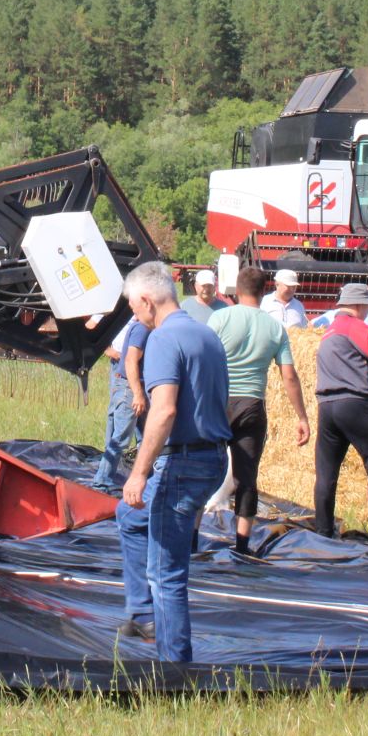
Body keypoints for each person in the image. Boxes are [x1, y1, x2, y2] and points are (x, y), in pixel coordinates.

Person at [115, 261, 231, 664]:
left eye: (133, 308)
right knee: (129, 517)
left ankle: (174, 670)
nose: (134, 315)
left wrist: (139, 472)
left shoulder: (163, 339)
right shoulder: (206, 334)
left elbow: (163, 412)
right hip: (212, 459)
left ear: (147, 300)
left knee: (166, 571)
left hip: (183, 463)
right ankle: (141, 614)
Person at [208, 268, 312, 555]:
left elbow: (202, 357)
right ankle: (242, 546)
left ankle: (192, 539)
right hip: (252, 404)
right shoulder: (274, 328)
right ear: (264, 290)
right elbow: (289, 376)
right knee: (247, 477)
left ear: (236, 290)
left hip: (219, 402)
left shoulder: (220, 318)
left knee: (204, 469)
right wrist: (302, 417)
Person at [312, 282, 368, 537]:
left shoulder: (330, 332)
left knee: (326, 474)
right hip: (354, 408)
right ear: (360, 305)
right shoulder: (353, 326)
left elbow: (345, 373)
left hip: (328, 408)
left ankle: (323, 531)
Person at [90, 315, 148, 493]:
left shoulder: (142, 327)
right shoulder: (142, 329)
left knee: (144, 436)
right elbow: (130, 362)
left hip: (134, 387)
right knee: (121, 438)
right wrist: (137, 394)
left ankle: (147, 478)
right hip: (131, 388)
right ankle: (101, 483)